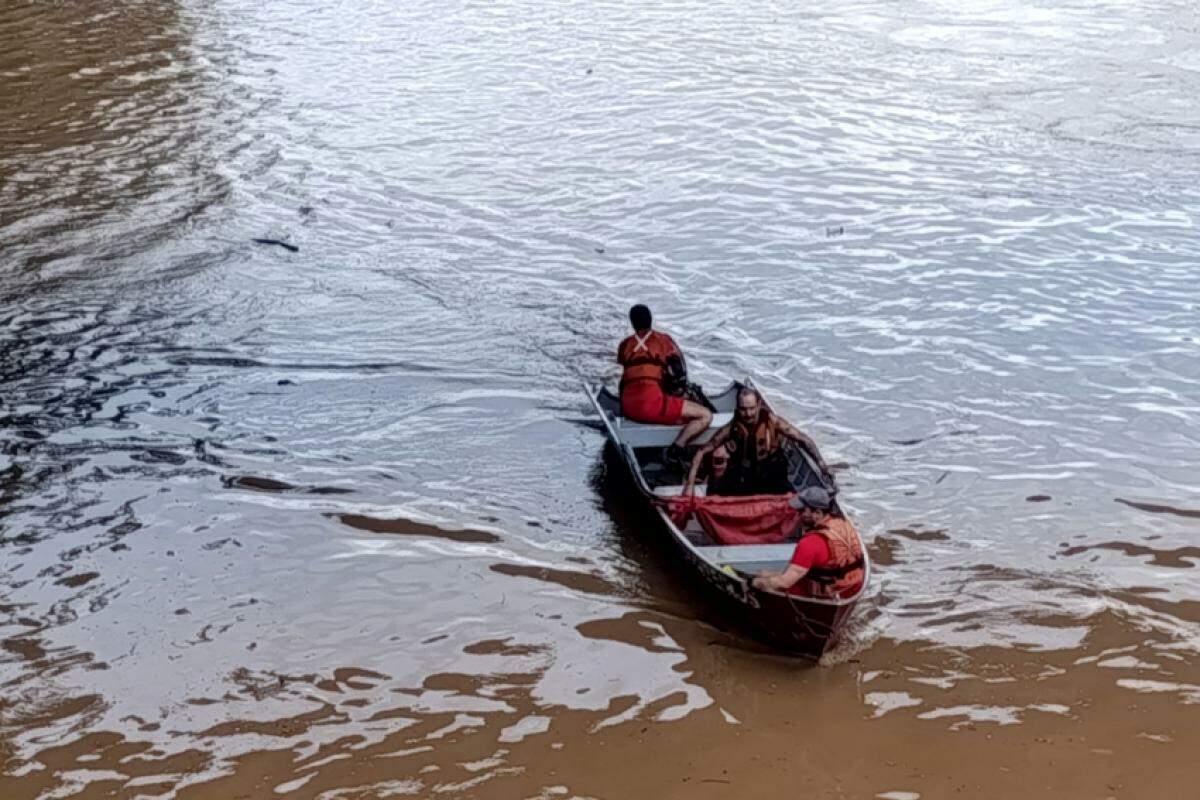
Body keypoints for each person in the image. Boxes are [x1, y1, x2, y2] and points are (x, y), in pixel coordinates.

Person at [683, 387, 831, 497]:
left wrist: (822, 464)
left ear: (759, 404)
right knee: (716, 494)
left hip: (771, 474)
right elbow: (702, 451)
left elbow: (803, 439)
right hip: (745, 476)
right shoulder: (730, 428)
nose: (748, 414)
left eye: (752, 409)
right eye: (743, 409)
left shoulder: (773, 422)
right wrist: (689, 485)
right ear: (737, 408)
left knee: (791, 499)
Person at [617, 304, 713, 466]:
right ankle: (677, 448)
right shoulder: (664, 341)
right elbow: (679, 374)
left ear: (632, 323)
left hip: (628, 406)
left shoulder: (625, 344)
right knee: (705, 415)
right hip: (652, 404)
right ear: (651, 320)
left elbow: (625, 369)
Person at [751, 486, 864, 599]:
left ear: (817, 513)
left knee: (763, 581)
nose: (798, 515)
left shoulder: (809, 544)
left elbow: (784, 582)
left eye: (802, 511)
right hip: (852, 586)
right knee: (764, 573)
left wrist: (755, 583)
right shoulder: (843, 523)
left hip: (826, 592)